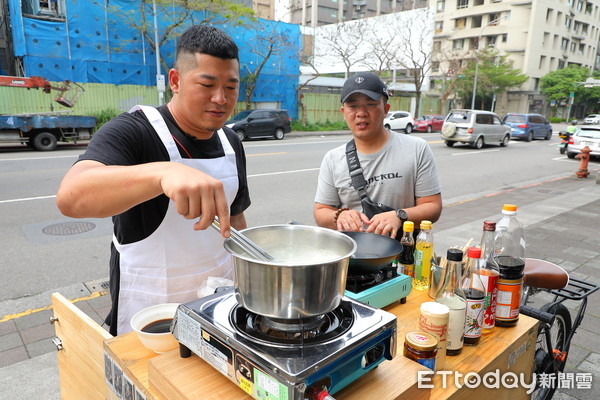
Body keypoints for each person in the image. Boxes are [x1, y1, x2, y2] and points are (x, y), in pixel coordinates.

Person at [56, 25, 250, 336]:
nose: (221, 99)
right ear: (175, 80)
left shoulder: (231, 141)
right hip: (153, 308)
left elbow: (236, 215)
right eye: (207, 84)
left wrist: (252, 276)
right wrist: (164, 172)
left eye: (231, 87)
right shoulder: (135, 131)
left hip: (220, 301)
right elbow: (71, 197)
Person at [314, 72, 442, 239]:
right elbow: (321, 211)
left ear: (386, 110)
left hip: (404, 255)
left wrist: (399, 216)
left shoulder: (416, 149)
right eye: (353, 106)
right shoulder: (332, 159)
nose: (361, 113)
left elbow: (433, 207)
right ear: (343, 112)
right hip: (352, 256)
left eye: (371, 104)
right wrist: (340, 215)